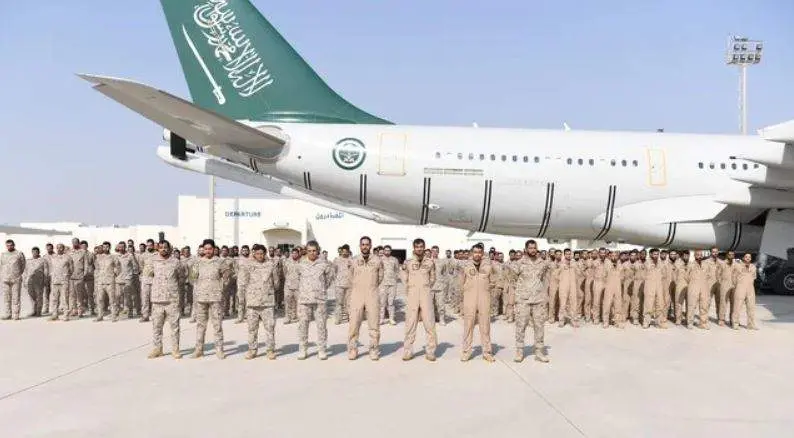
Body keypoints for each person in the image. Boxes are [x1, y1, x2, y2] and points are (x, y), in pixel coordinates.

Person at [509, 239, 550, 363]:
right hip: (523, 300)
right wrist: (520, 294)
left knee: (539, 326)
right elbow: (512, 279)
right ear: (526, 249)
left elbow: (543, 279)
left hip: (538, 300)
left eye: (534, 248)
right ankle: (519, 351)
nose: (532, 250)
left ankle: (539, 351)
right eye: (530, 248)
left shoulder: (542, 263)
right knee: (521, 325)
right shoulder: (519, 263)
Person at [238, 244, 278, 360]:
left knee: (270, 328)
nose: (260, 256)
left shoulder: (271, 265)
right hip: (252, 302)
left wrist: (268, 291)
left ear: (265, 254)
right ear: (253, 254)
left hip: (267, 302)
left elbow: (276, 282)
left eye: (262, 253)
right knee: (252, 328)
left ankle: (270, 350)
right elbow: (243, 281)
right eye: (257, 253)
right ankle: (252, 350)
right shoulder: (247, 265)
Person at [192, 239, 230, 359]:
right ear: (203, 249)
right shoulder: (197, 262)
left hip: (215, 297)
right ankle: (199, 349)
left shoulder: (220, 262)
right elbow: (192, 277)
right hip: (201, 297)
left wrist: (221, 286)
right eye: (206, 249)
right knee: (200, 325)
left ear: (214, 249)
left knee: (217, 324)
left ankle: (219, 349)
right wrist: (198, 287)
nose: (208, 251)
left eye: (210, 249)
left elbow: (227, 275)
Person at [296, 241, 335, 360]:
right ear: (306, 251)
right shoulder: (300, 264)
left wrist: (320, 289)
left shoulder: (324, 264)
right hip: (304, 300)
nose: (312, 253)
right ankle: (303, 349)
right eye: (309, 251)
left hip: (320, 300)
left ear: (318, 250)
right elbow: (298, 278)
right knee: (303, 326)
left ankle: (322, 350)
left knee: (321, 326)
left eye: (314, 250)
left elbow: (329, 279)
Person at [400, 238, 438, 361]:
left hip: (426, 295)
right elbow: (404, 277)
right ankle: (408, 351)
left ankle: (431, 351)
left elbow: (433, 277)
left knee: (429, 323)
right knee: (410, 323)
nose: (419, 249)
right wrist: (411, 287)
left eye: (421, 246)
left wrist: (426, 286)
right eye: (417, 247)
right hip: (413, 295)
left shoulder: (430, 262)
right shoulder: (408, 262)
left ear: (424, 247)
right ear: (414, 248)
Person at [347, 236, 384, 360]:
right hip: (357, 294)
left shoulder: (378, 260)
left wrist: (371, 286)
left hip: (372, 294)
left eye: (367, 244)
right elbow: (350, 276)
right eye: (362, 244)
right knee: (354, 324)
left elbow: (380, 277)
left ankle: (373, 349)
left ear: (371, 245)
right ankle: (353, 349)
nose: (365, 246)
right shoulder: (353, 260)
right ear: (359, 246)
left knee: (374, 324)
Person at [148, 241, 185, 359]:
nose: (163, 249)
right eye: (161, 247)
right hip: (157, 299)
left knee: (174, 327)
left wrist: (172, 289)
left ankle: (175, 349)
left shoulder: (176, 262)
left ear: (170, 249)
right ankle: (157, 349)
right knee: (157, 327)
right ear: (158, 249)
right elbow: (148, 275)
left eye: (166, 247)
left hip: (172, 299)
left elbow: (181, 278)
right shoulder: (153, 261)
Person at [459, 244, 496, 362]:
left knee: (485, 326)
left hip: (484, 299)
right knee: (468, 326)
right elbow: (460, 282)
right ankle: (466, 352)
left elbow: (494, 280)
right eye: (475, 252)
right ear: (471, 253)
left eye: (480, 252)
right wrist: (467, 289)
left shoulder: (488, 266)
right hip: (470, 298)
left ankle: (487, 352)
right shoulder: (465, 265)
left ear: (482, 253)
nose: (477, 254)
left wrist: (485, 287)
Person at [731, 253, 758, 330]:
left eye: (749, 257)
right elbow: (733, 277)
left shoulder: (753, 267)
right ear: (743, 258)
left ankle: (751, 325)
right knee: (737, 307)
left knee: (751, 307)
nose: (748, 258)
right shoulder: (737, 266)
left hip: (750, 288)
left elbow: (754, 277)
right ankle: (735, 324)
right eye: (746, 257)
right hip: (740, 288)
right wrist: (737, 286)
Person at [1, 240, 26, 320]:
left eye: (11, 245)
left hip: (16, 279)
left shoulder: (19, 254)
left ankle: (15, 315)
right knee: (6, 298)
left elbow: (23, 265)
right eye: (7, 245)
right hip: (5, 279)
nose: (9, 247)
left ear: (14, 245)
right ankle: (8, 314)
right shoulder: (3, 254)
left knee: (16, 297)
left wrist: (18, 274)